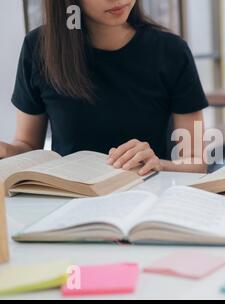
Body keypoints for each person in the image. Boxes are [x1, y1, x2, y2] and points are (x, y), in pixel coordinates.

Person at [0, 0, 208, 175]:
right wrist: (6, 151)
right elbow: (27, 145)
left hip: (145, 198)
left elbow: (196, 160)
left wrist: (160, 164)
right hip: (65, 202)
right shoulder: (39, 48)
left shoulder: (171, 51)